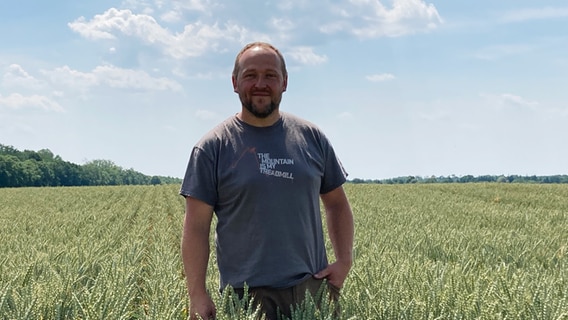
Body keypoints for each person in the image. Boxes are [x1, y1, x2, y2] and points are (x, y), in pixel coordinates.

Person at [180, 41, 354, 320]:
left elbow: (337, 204)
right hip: (247, 298)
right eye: (250, 75)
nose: (260, 83)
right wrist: (197, 293)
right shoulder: (213, 147)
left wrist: (344, 260)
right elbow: (196, 227)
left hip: (312, 289)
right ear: (235, 82)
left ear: (284, 82)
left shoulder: (312, 138)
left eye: (270, 75)